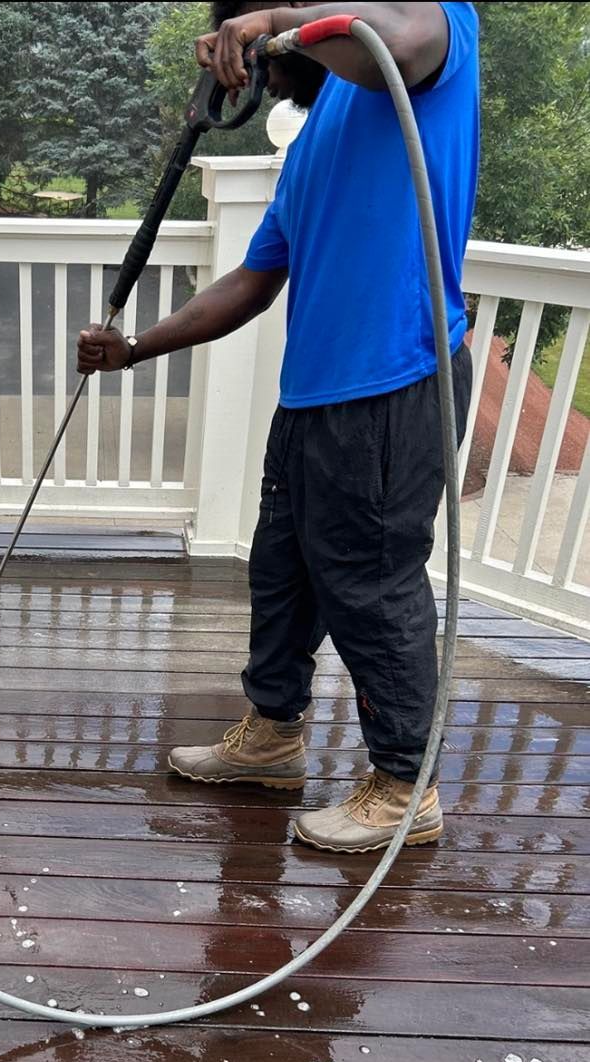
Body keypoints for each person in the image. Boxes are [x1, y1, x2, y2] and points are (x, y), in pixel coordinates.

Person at [77, 2, 479, 853]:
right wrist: (136, 348)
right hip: (312, 398)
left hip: (395, 380)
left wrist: (276, 20)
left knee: (372, 584)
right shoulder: (319, 134)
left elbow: (390, 47)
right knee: (284, 572)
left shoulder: (432, 30)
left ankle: (407, 783)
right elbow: (254, 280)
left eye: (259, 52)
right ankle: (273, 737)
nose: (259, 70)